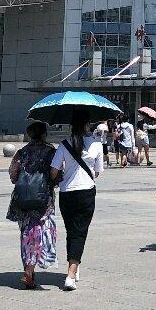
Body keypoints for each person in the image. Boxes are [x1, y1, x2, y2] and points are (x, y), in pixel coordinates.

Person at [50, 110, 104, 290]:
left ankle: (74, 264)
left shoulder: (64, 144)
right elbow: (97, 171)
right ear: (87, 125)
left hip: (67, 193)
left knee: (71, 231)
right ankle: (71, 274)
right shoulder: (96, 144)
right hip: (86, 192)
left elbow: (53, 171)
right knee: (80, 232)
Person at [7, 120, 57, 290]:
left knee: (26, 232)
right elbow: (57, 174)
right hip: (43, 199)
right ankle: (30, 270)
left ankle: (28, 269)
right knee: (40, 231)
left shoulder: (22, 152)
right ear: (44, 134)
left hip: (22, 199)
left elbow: (13, 175)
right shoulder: (51, 152)